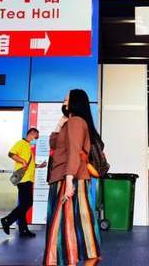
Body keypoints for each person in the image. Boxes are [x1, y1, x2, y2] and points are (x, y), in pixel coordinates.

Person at [43, 89, 101, 266]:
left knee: (66, 225)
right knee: (68, 225)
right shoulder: (70, 122)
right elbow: (53, 144)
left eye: (67, 100)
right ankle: (77, 257)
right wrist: (60, 123)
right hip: (64, 177)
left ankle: (81, 257)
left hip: (69, 177)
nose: (64, 102)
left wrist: (69, 182)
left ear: (76, 101)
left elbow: (74, 153)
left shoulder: (76, 122)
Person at [1, 128, 47, 237]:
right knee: (27, 203)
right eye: (36, 137)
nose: (36, 140)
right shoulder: (21, 143)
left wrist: (39, 166)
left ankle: (23, 230)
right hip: (23, 180)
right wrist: (22, 161)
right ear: (31, 133)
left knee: (23, 205)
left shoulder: (28, 146)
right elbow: (11, 153)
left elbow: (29, 165)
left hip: (28, 179)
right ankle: (7, 220)